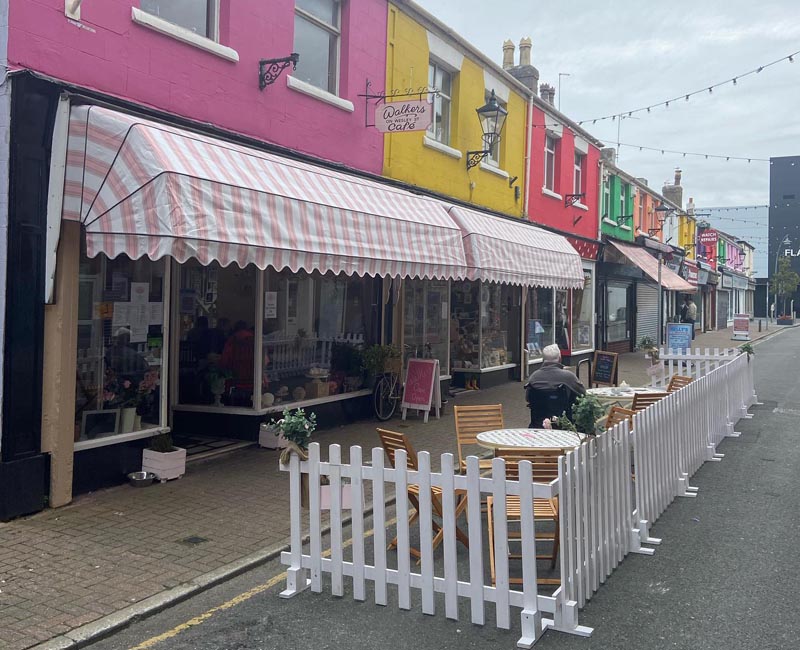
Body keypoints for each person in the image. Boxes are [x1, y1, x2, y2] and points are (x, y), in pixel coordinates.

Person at [524, 344, 585, 427]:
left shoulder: (534, 377)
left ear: (543, 360)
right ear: (560, 359)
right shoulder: (568, 376)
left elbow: (528, 399)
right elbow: (583, 393)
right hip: (564, 424)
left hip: (538, 423)